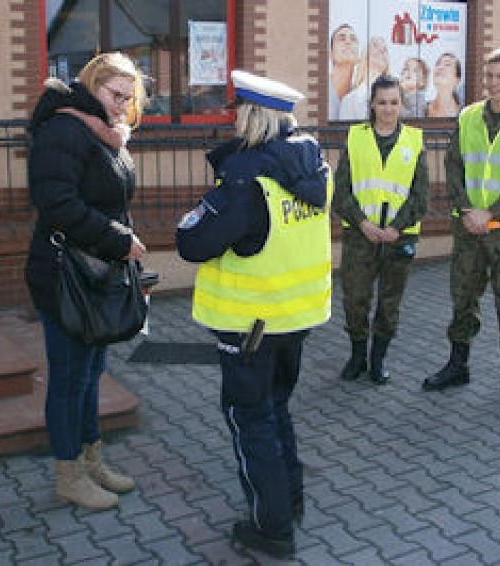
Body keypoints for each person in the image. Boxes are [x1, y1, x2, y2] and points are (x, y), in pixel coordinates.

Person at [176, 69, 332, 559]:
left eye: (237, 113)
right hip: (294, 319)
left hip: (250, 327)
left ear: (251, 116)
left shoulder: (249, 178)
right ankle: (291, 501)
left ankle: (271, 527)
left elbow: (193, 241)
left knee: (250, 419)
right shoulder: (313, 166)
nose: (233, 122)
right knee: (276, 408)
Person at [25, 52, 148, 510]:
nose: (121, 106)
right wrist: (119, 241)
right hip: (63, 275)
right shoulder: (64, 130)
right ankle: (68, 473)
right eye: (115, 95)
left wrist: (123, 247)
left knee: (92, 373)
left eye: (129, 99)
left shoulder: (105, 134)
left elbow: (108, 201)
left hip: (96, 271)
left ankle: (91, 459)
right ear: (92, 85)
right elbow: (58, 205)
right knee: (69, 378)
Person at [422, 46, 500, 411]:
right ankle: (457, 366)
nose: (493, 84)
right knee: (463, 296)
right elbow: (453, 167)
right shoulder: (467, 117)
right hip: (469, 227)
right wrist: (467, 209)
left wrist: (490, 213)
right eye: (489, 76)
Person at [333, 75, 429, 384]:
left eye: (394, 102)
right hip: (361, 234)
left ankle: (378, 359)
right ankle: (358, 355)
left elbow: (420, 195)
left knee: (390, 302)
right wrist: (363, 222)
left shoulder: (414, 140)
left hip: (398, 238)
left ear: (402, 105)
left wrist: (396, 228)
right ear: (372, 104)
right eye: (382, 102)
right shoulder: (355, 137)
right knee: (355, 298)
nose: (388, 109)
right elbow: (341, 191)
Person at [339, 36, 390, 121]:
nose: (382, 50)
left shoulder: (397, 94)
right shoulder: (349, 100)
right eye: (375, 46)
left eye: (385, 49)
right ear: (365, 55)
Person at [328, 23, 360, 120]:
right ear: (331, 53)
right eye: (341, 39)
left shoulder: (359, 95)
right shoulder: (323, 88)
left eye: (353, 39)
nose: (348, 42)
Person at [425, 52, 463, 118]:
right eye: (438, 64)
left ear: (457, 80)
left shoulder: (463, 113)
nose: (440, 67)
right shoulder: (421, 109)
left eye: (447, 64)